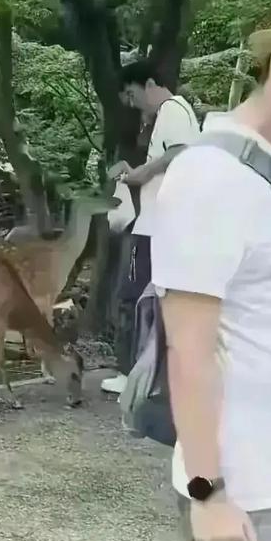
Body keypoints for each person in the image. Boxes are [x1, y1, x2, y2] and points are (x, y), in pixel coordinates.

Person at [151, 4, 271, 541]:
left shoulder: (270, 171)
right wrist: (209, 494)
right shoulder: (211, 176)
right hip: (251, 500)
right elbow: (189, 350)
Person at [101, 62, 200, 395]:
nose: (132, 103)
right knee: (150, 300)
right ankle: (150, 375)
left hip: (154, 226)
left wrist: (141, 174)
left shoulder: (172, 109)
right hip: (164, 224)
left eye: (132, 94)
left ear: (149, 84)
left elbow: (179, 150)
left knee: (130, 297)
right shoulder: (175, 113)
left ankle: (129, 374)